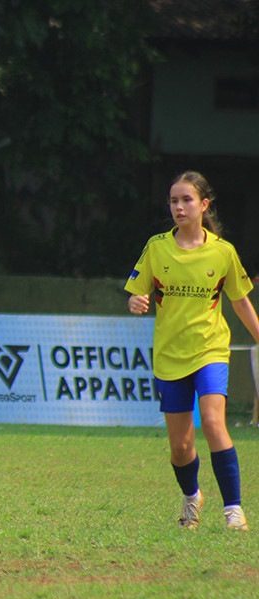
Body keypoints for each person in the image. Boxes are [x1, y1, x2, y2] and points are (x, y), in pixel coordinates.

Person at [126, 171, 259, 531]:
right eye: (173, 200)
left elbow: (241, 302)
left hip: (210, 349)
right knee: (181, 447)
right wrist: (136, 302)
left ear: (204, 205)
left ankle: (233, 509)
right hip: (170, 356)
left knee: (215, 423)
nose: (179, 207)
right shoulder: (156, 247)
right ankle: (191, 498)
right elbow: (137, 294)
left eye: (186, 200)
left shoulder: (223, 252)